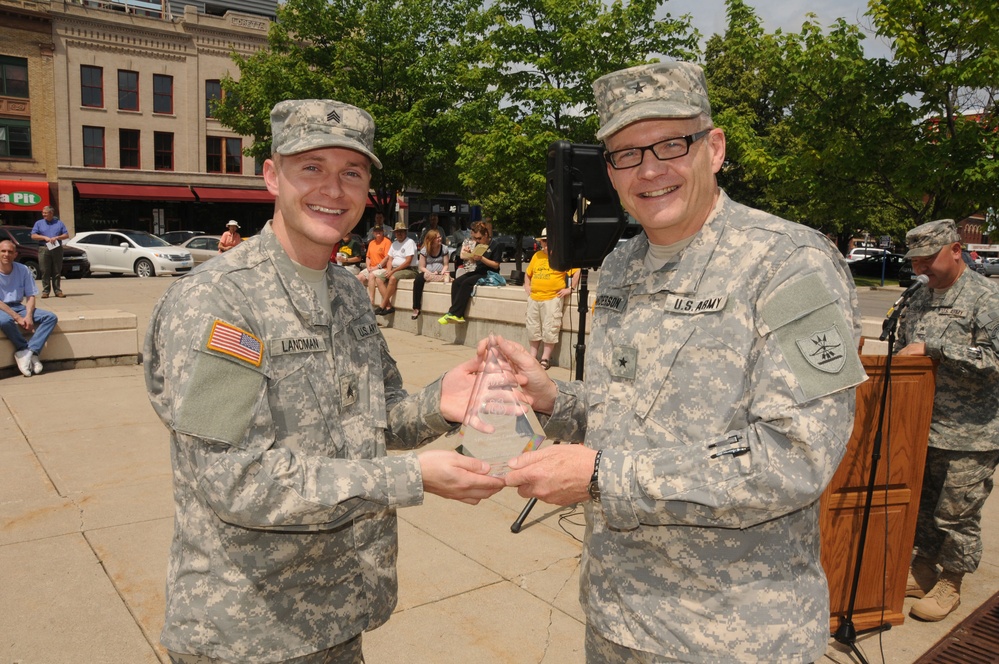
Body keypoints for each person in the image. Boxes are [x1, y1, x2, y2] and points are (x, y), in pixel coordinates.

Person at [500, 60, 866, 663]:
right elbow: (627, 415)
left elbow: (797, 455)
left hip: (734, 636)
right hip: (618, 619)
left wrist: (600, 477)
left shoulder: (794, 265)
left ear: (714, 148)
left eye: (672, 143)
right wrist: (554, 399)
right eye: (626, 153)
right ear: (609, 172)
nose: (650, 169)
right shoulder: (620, 264)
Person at [144, 98, 505, 664]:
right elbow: (236, 481)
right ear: (271, 174)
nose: (332, 189)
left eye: (351, 173)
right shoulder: (219, 303)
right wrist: (410, 477)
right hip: (249, 631)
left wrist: (443, 402)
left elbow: (376, 417)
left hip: (336, 615)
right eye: (312, 167)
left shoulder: (345, 292)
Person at [897, 219, 999, 622]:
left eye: (928, 260)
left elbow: (994, 360)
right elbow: (905, 346)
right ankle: (922, 568)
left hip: (971, 433)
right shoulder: (917, 296)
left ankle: (951, 581)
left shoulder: (985, 298)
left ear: (956, 250)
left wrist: (937, 348)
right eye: (916, 262)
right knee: (922, 506)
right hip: (920, 425)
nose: (921, 269)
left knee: (956, 512)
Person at [523, 228, 579, 369]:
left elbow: (576, 270)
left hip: (552, 298)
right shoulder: (537, 256)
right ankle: (532, 357)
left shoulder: (561, 256)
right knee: (533, 328)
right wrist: (527, 286)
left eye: (549, 241)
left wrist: (570, 288)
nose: (546, 244)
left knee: (550, 328)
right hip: (535, 297)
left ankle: (545, 358)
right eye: (544, 241)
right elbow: (528, 273)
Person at [0, 239, 58, 377]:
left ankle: (31, 352)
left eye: (10, 252)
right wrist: (18, 317)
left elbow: (31, 295)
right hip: (2, 308)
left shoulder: (23, 269)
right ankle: (22, 349)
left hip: (18, 306)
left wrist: (28, 315)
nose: (6, 254)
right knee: (4, 321)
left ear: (15, 254)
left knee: (50, 317)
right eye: (3, 251)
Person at [439, 220, 501, 325]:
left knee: (466, 283)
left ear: (486, 235)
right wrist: (470, 255)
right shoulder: (478, 244)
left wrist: (481, 258)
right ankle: (455, 313)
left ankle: (455, 313)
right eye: (475, 238)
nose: (477, 241)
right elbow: (474, 261)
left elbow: (496, 265)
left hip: (490, 273)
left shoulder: (496, 245)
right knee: (456, 282)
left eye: (479, 238)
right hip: (479, 270)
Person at [373, 221, 418, 315]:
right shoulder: (394, 244)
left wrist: (393, 271)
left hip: (409, 269)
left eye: (401, 231)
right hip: (394, 269)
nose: (399, 234)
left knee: (393, 278)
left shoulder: (410, 242)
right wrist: (389, 270)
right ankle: (388, 306)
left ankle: (382, 306)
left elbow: (408, 262)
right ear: (394, 233)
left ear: (405, 232)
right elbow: (390, 260)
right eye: (397, 232)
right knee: (379, 279)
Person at [30, 206, 69, 298]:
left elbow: (66, 235)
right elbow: (33, 236)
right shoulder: (39, 223)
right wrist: (44, 237)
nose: (44, 214)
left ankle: (57, 291)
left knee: (57, 270)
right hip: (44, 248)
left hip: (57, 248)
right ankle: (46, 291)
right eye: (43, 213)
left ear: (51, 213)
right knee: (45, 270)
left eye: (46, 213)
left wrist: (57, 237)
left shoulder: (59, 223)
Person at [411, 228, 450, 320]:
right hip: (427, 273)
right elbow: (421, 267)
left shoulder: (444, 248)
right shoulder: (424, 250)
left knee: (445, 276)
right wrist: (430, 273)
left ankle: (438, 277)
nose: (439, 239)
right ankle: (416, 308)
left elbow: (446, 265)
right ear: (431, 240)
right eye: (437, 238)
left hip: (440, 273)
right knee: (418, 280)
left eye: (440, 237)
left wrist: (442, 272)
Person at [357, 224, 391, 306]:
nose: (378, 232)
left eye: (380, 231)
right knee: (359, 277)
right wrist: (368, 266)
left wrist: (377, 267)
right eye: (376, 231)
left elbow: (387, 257)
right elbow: (368, 257)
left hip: (383, 268)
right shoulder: (371, 243)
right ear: (373, 233)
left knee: (371, 275)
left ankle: (371, 299)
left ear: (383, 232)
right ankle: (362, 298)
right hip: (371, 267)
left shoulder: (387, 242)